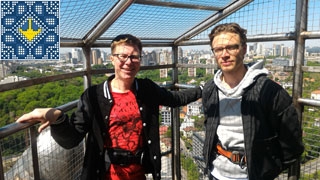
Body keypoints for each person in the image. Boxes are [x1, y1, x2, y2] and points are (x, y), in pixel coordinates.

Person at [17, 34, 202, 180]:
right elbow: (72, 138)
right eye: (122, 56)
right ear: (112, 59)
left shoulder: (146, 89)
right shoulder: (94, 96)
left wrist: (204, 88)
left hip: (138, 173)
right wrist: (57, 116)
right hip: (104, 173)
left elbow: (175, 98)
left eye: (134, 57)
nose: (128, 62)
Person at [202, 23, 304, 180]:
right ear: (213, 53)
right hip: (215, 173)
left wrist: (268, 170)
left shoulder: (269, 92)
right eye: (218, 49)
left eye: (232, 47)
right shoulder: (211, 89)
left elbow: (292, 144)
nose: (225, 54)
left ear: (244, 49)